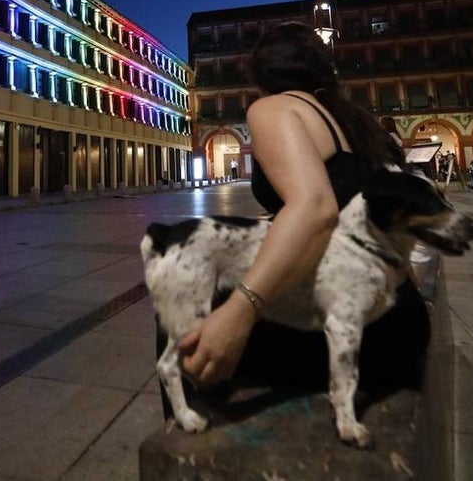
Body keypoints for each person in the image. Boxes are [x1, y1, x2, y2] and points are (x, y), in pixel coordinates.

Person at [175, 22, 428, 398]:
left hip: (358, 329)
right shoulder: (350, 120)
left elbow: (315, 206)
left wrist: (242, 310)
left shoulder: (273, 107)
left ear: (260, 74)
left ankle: (193, 443)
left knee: (183, 301)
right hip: (400, 319)